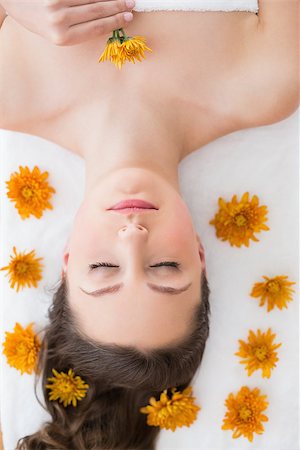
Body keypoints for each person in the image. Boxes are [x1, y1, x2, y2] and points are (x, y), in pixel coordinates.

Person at [0, 1, 298, 449]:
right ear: (200, 256)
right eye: (164, 268)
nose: (132, 237)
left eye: (102, 268)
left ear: (66, 261)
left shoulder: (8, 91)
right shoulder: (269, 81)